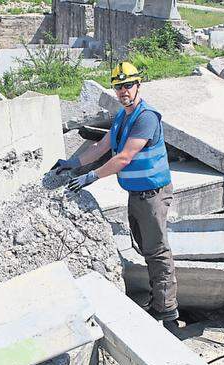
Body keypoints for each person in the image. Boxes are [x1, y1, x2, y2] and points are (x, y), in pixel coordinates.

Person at [52, 62, 178, 321]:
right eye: (119, 87)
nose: (124, 91)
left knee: (157, 252)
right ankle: (159, 300)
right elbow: (102, 146)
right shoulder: (123, 116)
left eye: (128, 85)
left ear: (138, 85)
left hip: (153, 195)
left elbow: (124, 158)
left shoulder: (145, 117)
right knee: (146, 248)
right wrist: (73, 163)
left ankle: (166, 310)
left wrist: (92, 176)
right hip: (137, 194)